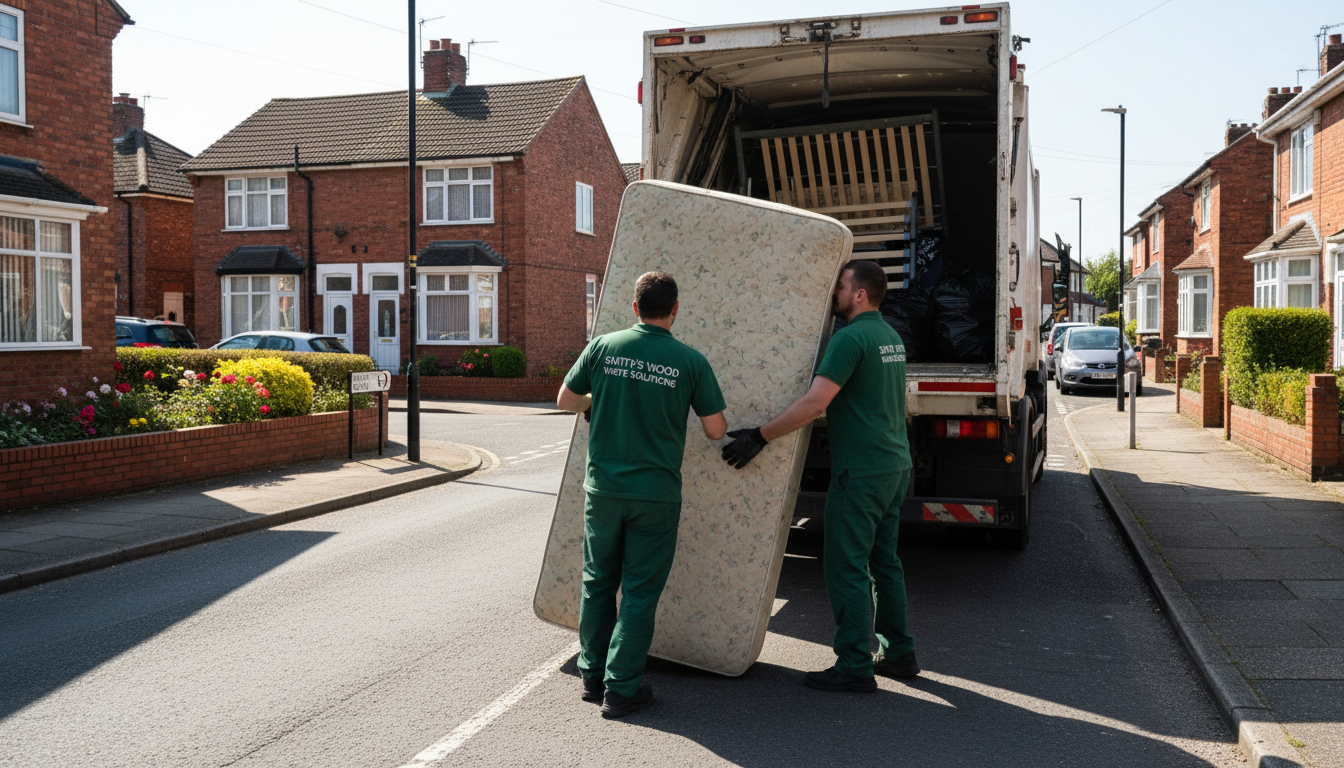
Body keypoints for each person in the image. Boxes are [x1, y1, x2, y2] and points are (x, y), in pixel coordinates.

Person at [721, 259, 917, 693]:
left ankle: (853, 664)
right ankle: (899, 652)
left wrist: (759, 436)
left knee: (845, 567)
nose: (834, 295)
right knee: (884, 563)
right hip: (895, 465)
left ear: (860, 294)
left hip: (862, 471)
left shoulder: (850, 339)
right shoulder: (889, 336)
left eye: (840, 288)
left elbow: (815, 403)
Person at [557, 271, 727, 718]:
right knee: (638, 593)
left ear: (634, 308)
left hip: (604, 489)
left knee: (597, 584)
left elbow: (564, 401)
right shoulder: (691, 361)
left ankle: (592, 675)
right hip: (655, 495)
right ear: (674, 310)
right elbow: (716, 430)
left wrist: (599, 399)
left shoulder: (603, 347)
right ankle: (622, 688)